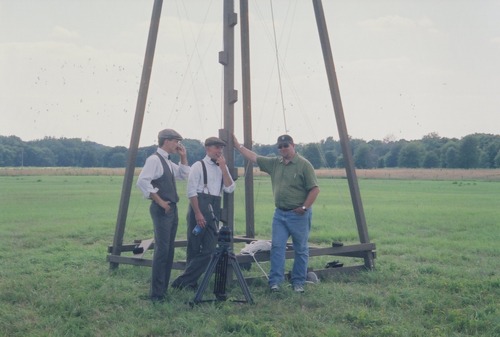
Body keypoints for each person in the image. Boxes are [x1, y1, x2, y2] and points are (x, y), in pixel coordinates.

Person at [234, 134, 320, 293]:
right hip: (280, 215)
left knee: (300, 249)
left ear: (293, 145)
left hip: (299, 215)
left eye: (286, 145)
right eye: (279, 146)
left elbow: (315, 189)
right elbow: (254, 157)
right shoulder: (275, 163)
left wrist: (305, 208)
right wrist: (237, 145)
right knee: (277, 247)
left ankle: (299, 282)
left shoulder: (304, 165)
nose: (282, 149)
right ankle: (275, 283)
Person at [171, 136, 236, 290]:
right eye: (216, 147)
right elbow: (191, 191)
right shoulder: (198, 166)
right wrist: (198, 214)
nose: (219, 151)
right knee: (194, 247)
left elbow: (230, 188)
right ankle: (190, 283)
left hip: (213, 209)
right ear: (208, 149)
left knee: (210, 249)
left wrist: (223, 169)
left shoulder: (222, 167)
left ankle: (181, 281)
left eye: (221, 148)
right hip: (198, 207)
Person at [136, 128, 190, 302]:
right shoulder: (154, 159)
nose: (178, 145)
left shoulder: (167, 161)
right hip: (162, 209)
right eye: (176, 141)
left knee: (168, 249)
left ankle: (162, 290)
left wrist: (183, 157)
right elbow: (142, 181)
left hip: (171, 209)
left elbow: (183, 174)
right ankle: (157, 294)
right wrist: (160, 202)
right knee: (162, 250)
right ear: (166, 141)